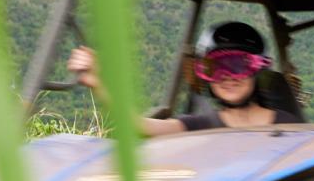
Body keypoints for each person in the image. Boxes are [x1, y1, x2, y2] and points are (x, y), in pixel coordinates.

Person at [68, 21, 301, 135]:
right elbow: (140, 126)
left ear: (256, 70)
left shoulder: (288, 124)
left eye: (237, 65)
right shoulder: (202, 124)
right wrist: (99, 84)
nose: (227, 77)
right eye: (214, 68)